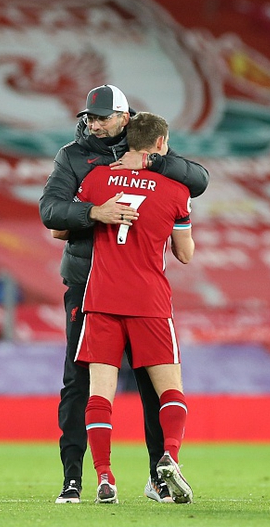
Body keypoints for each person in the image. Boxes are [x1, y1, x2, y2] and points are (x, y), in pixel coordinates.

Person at [39, 84, 208, 504]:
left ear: (125, 118)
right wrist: (94, 212)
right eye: (90, 117)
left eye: (102, 117)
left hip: (116, 286)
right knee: (77, 382)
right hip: (88, 282)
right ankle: (73, 478)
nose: (93, 124)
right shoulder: (74, 156)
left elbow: (200, 179)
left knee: (139, 386)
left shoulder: (135, 162)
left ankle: (154, 477)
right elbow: (50, 212)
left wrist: (152, 160)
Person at [73, 111, 195, 504]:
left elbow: (61, 227)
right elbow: (185, 254)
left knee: (100, 395)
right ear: (161, 144)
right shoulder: (177, 191)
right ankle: (169, 461)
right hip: (150, 302)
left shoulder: (97, 179)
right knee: (170, 392)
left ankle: (105, 477)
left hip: (103, 298)